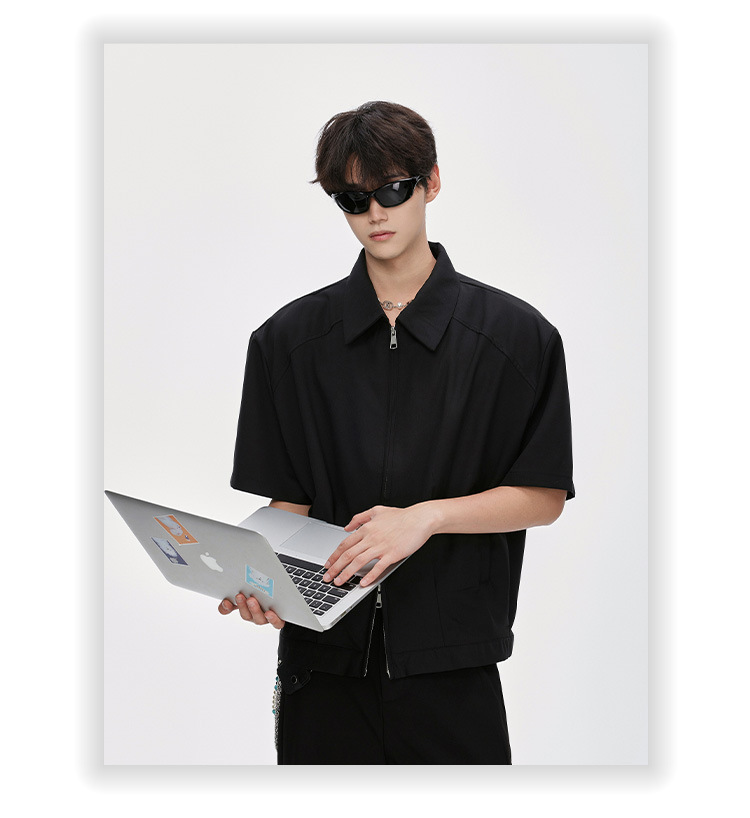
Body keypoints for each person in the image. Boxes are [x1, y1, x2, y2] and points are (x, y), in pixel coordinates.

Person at [219, 101, 574, 764]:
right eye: (353, 200)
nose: (375, 214)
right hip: (321, 665)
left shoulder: (516, 338)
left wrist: (425, 519)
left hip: (453, 667)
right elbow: (289, 501)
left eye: (391, 190)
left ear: (430, 183)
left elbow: (543, 495)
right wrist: (253, 571)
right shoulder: (287, 341)